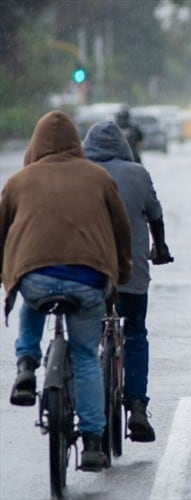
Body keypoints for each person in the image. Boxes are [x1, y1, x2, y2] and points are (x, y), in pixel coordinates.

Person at [1, 110, 133, 471]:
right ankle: (92, 441)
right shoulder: (99, 178)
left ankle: (27, 364)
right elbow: (122, 231)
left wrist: (8, 274)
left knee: (31, 297)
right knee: (87, 356)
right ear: (77, 143)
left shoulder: (18, 181)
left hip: (36, 276)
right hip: (88, 279)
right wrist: (122, 272)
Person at [83, 120, 174, 443]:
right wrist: (159, 248)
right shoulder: (138, 173)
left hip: (89, 277)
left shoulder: (80, 173)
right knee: (135, 332)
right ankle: (136, 405)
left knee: (84, 345)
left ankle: (86, 410)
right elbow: (156, 216)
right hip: (132, 275)